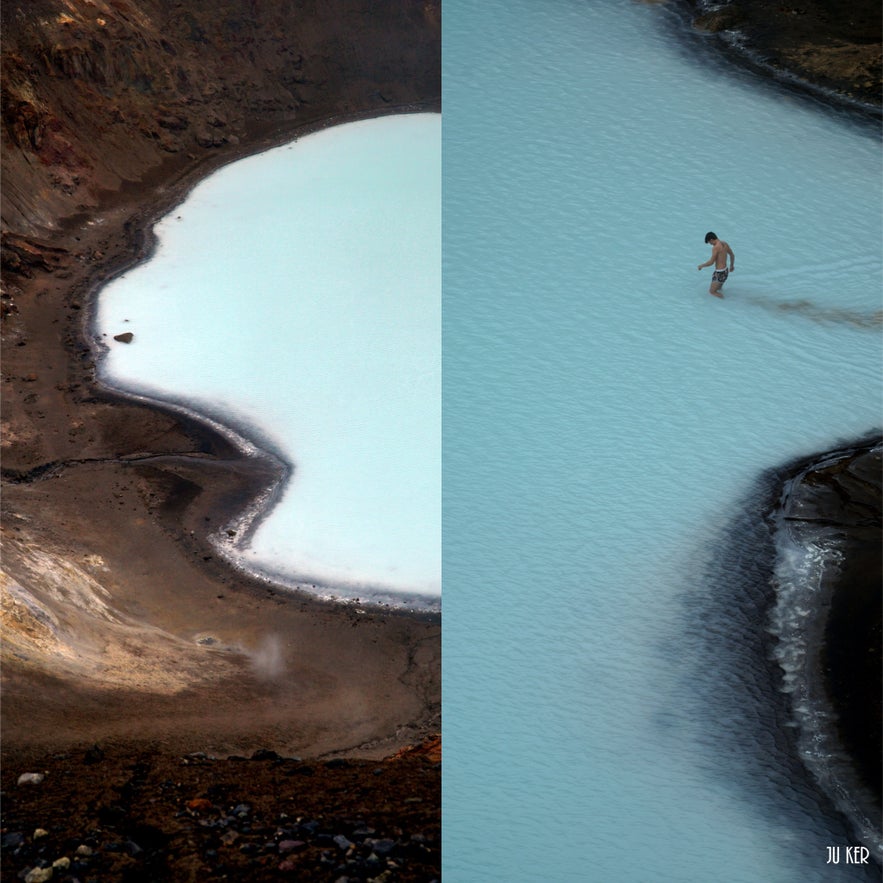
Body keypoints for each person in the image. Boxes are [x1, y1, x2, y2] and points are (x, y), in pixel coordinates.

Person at [697, 231, 734, 298]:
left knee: (712, 292)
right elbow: (732, 255)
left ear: (711, 239)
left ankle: (725, 302)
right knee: (719, 289)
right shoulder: (725, 244)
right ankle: (723, 301)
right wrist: (731, 265)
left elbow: (711, 262)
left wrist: (701, 265)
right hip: (725, 271)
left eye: (709, 242)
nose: (710, 244)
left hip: (719, 273)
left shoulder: (716, 247)